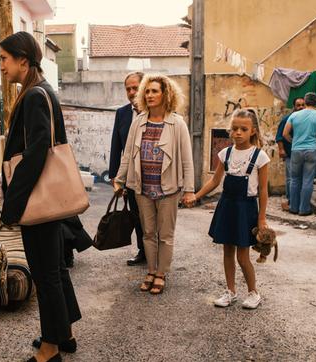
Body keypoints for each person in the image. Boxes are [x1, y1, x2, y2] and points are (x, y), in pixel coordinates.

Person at [0, 31, 81, 362]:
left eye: (4, 59)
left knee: (46, 274)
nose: (1, 66)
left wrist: (12, 205)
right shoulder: (41, 90)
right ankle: (64, 334)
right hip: (46, 198)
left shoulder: (34, 95)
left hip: (37, 199)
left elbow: (35, 154)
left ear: (22, 60)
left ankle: (50, 350)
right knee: (55, 269)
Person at [114, 73, 195, 295]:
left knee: (166, 234)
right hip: (142, 187)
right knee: (148, 233)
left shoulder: (177, 123)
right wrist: (120, 180)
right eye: (147, 91)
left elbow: (187, 160)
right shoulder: (138, 122)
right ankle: (151, 270)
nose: (149, 95)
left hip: (168, 189)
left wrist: (189, 190)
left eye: (154, 91)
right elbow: (128, 154)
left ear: (165, 94)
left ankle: (161, 273)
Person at [185, 109, 270, 309]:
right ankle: (230, 291)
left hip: (246, 209)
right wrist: (196, 196)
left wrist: (262, 218)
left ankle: (253, 292)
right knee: (227, 252)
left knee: (243, 256)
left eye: (243, 129)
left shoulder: (260, 156)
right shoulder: (226, 153)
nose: (238, 132)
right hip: (227, 206)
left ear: (253, 131)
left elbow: (264, 190)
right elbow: (215, 181)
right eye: (234, 129)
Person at [109, 71, 146, 266]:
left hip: (153, 176)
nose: (132, 92)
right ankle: (143, 251)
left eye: (135, 88)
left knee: (154, 218)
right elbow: (116, 146)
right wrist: (115, 177)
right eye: (128, 89)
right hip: (131, 176)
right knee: (136, 215)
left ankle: (157, 254)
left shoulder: (156, 112)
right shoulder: (122, 113)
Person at [283, 92, 316, 216]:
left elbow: (285, 134)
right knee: (308, 180)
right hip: (311, 150)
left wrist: (294, 142)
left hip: (296, 150)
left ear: (305, 101)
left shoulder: (294, 115)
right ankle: (304, 209)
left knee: (294, 179)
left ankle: (293, 207)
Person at [275, 97, 305, 211]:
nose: (301, 107)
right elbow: (279, 136)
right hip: (289, 153)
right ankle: (290, 200)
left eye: (303, 105)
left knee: (298, 178)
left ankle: (296, 199)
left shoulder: (304, 120)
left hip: (301, 153)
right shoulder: (287, 119)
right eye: (298, 105)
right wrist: (281, 150)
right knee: (291, 178)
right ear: (294, 107)